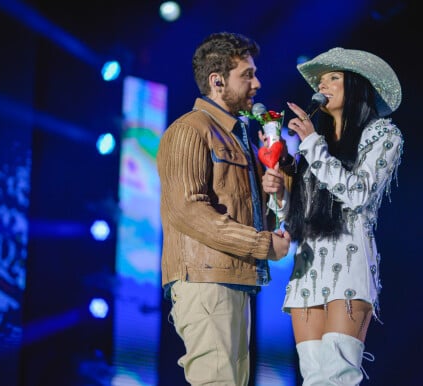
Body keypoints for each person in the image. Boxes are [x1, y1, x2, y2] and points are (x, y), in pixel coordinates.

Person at [261, 47, 404, 385]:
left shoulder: (383, 135)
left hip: (350, 262)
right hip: (308, 266)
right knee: (313, 376)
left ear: (356, 84)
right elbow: (297, 216)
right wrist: (280, 193)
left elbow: (358, 194)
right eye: (321, 80)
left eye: (333, 78)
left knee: (338, 374)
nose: (322, 85)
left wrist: (310, 142)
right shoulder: (315, 144)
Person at [156, 32, 291, 385]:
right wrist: (262, 244)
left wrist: (275, 183)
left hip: (232, 278)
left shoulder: (238, 136)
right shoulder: (190, 129)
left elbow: (249, 207)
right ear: (217, 81)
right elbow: (188, 210)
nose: (257, 83)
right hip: (205, 279)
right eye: (246, 74)